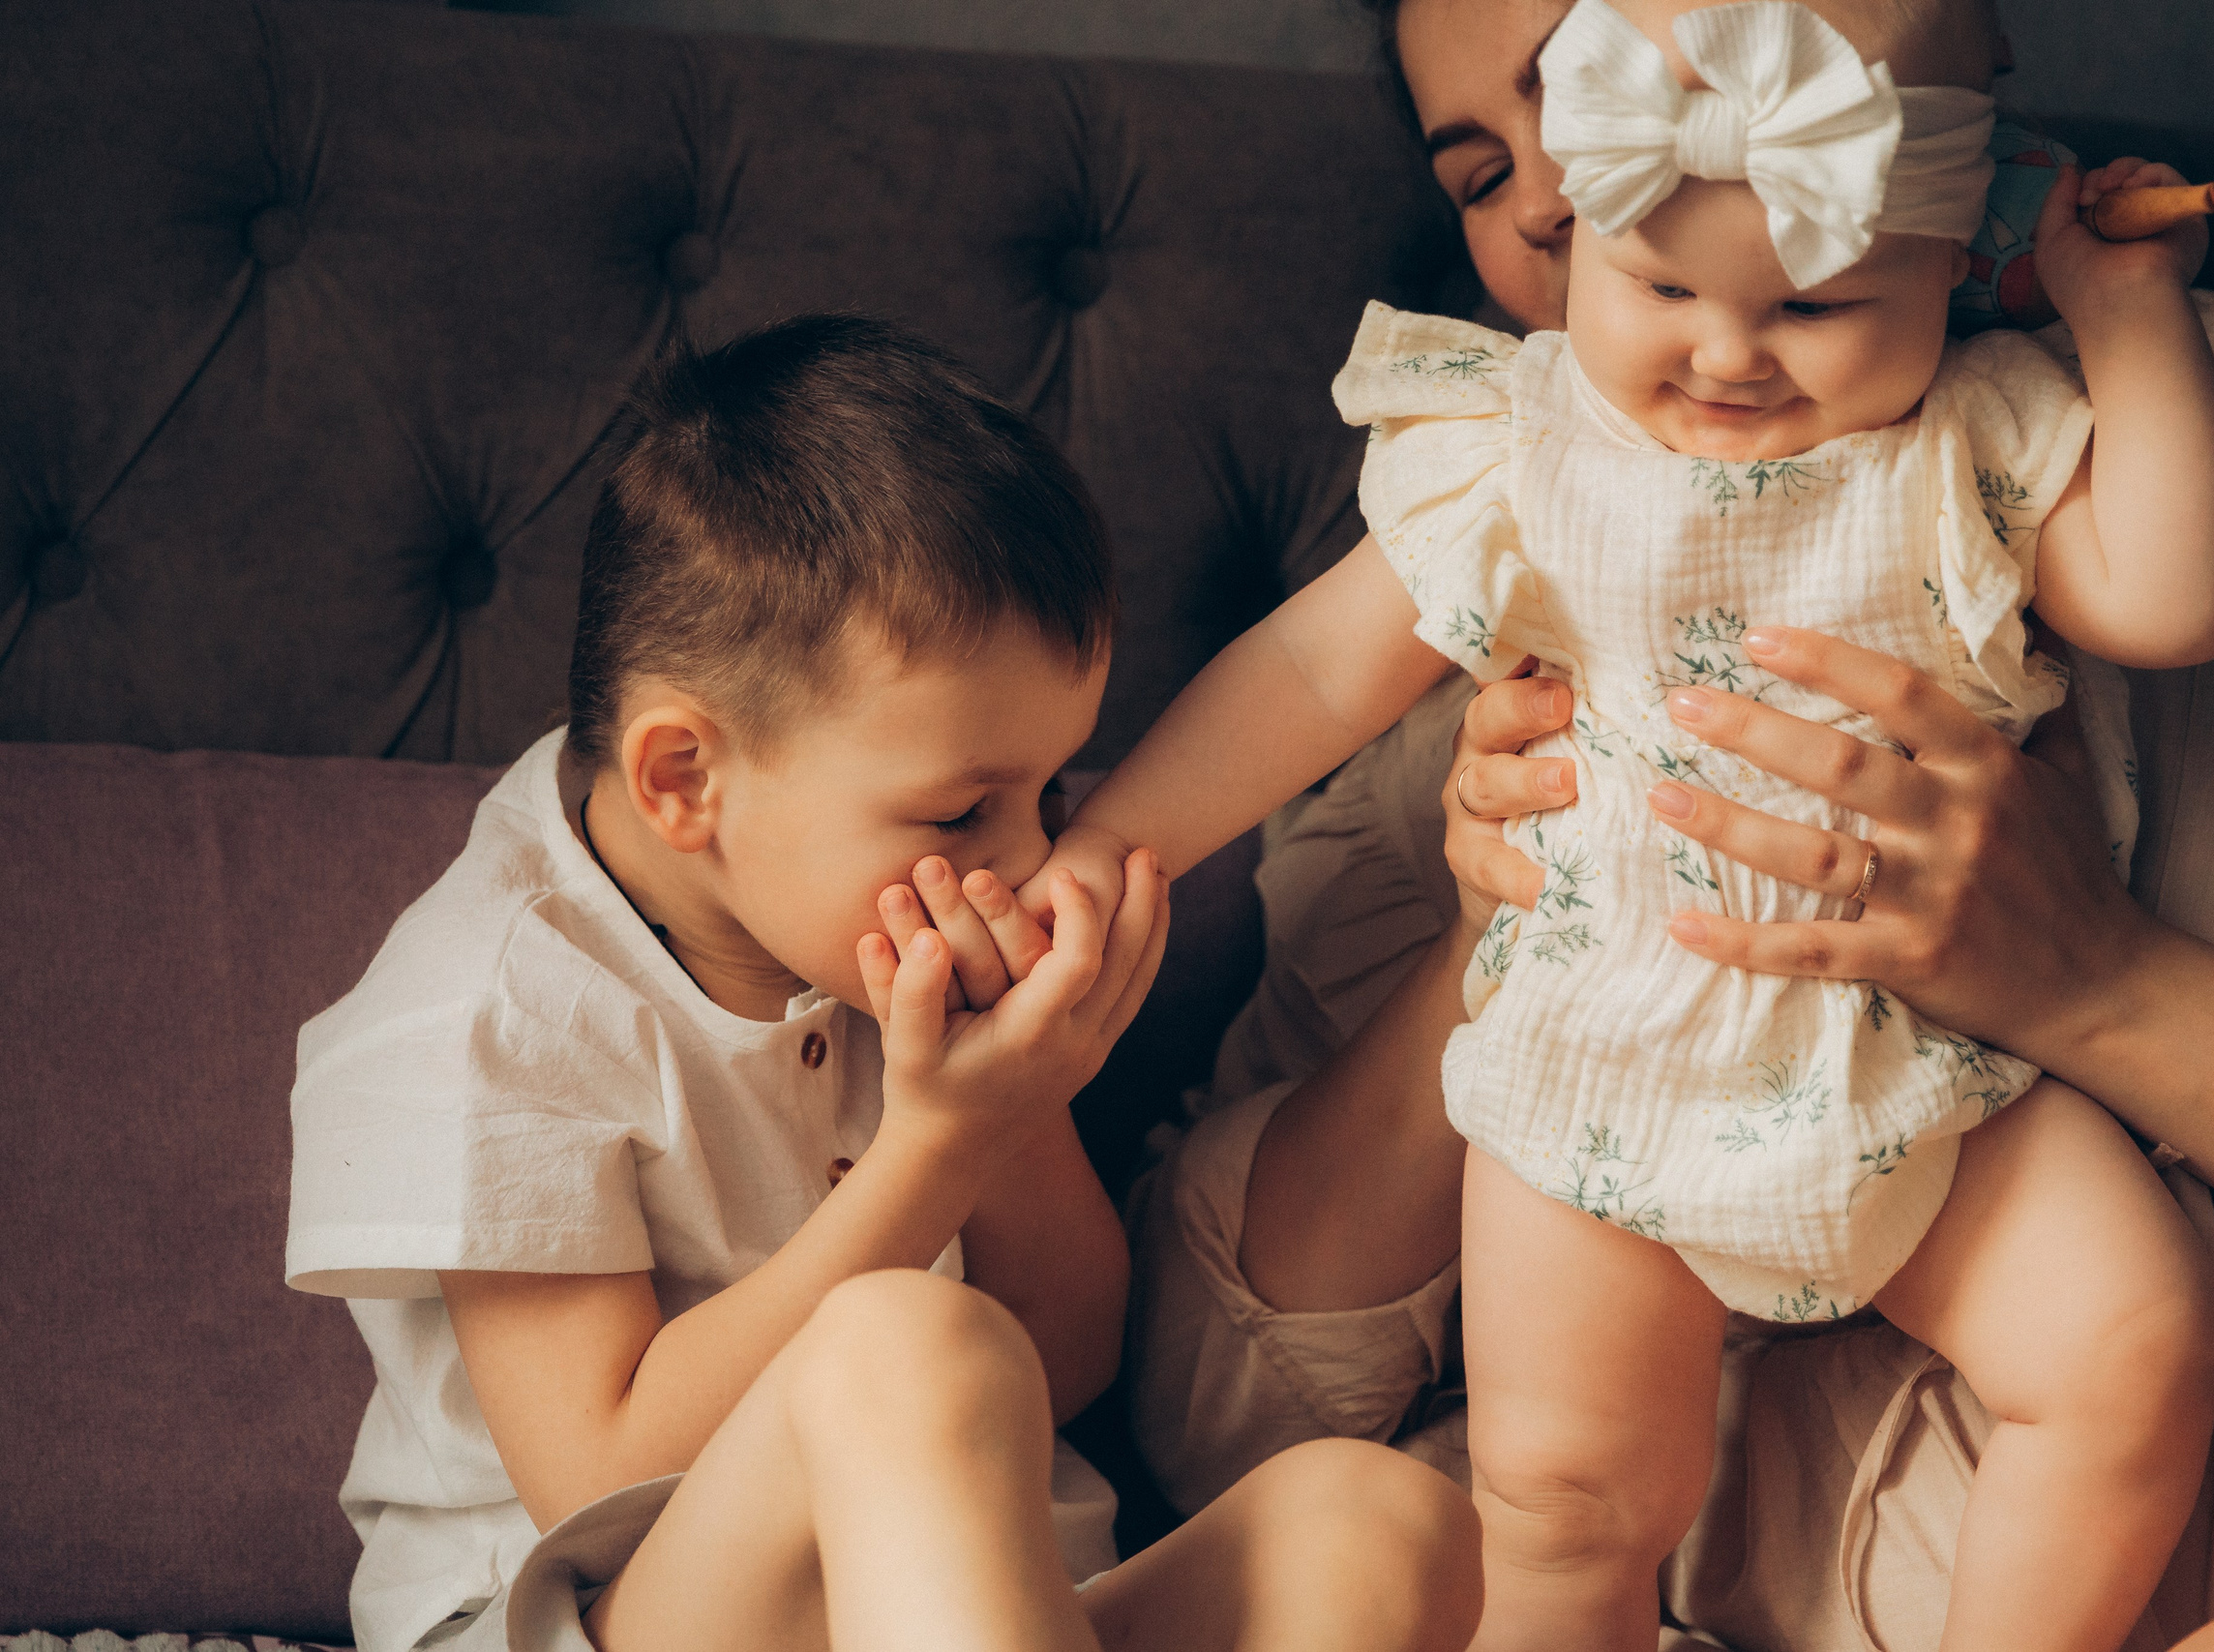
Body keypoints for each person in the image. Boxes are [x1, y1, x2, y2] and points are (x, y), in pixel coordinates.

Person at [1121, 0, 2214, 1648]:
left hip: (1911, 1076)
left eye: (1572, 80)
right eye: (1491, 170)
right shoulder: (1510, 460)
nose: (1551, 193)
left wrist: (2128, 321)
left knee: (2129, 1342)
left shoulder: (1988, 448)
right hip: (1613, 1049)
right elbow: (1309, 674)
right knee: (1563, 1498)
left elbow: (2179, 594)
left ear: (1961, 237)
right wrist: (1111, 857)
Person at [282, 315, 1482, 1652]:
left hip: (970, 1607)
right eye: (965, 810)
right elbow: (602, 1473)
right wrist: (934, 1149)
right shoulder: (492, 1011)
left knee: (1379, 1525)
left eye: (1054, 792)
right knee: (906, 1348)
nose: (1028, 862)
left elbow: (1070, 1357)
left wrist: (1020, 1108)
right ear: (686, 780)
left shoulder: (877, 928)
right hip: (613, 1613)